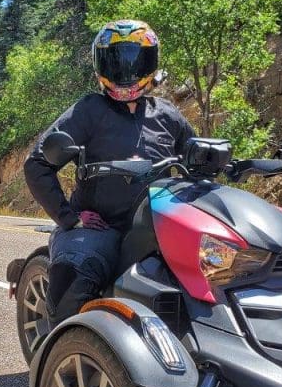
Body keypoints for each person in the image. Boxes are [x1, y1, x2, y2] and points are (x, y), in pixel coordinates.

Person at [24, 20, 195, 326]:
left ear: (151, 62)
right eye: (116, 61)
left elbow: (196, 159)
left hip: (160, 225)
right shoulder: (89, 110)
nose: (126, 72)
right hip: (101, 228)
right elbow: (37, 164)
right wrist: (70, 218)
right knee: (72, 282)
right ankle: (58, 363)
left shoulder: (167, 114)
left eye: (136, 60)